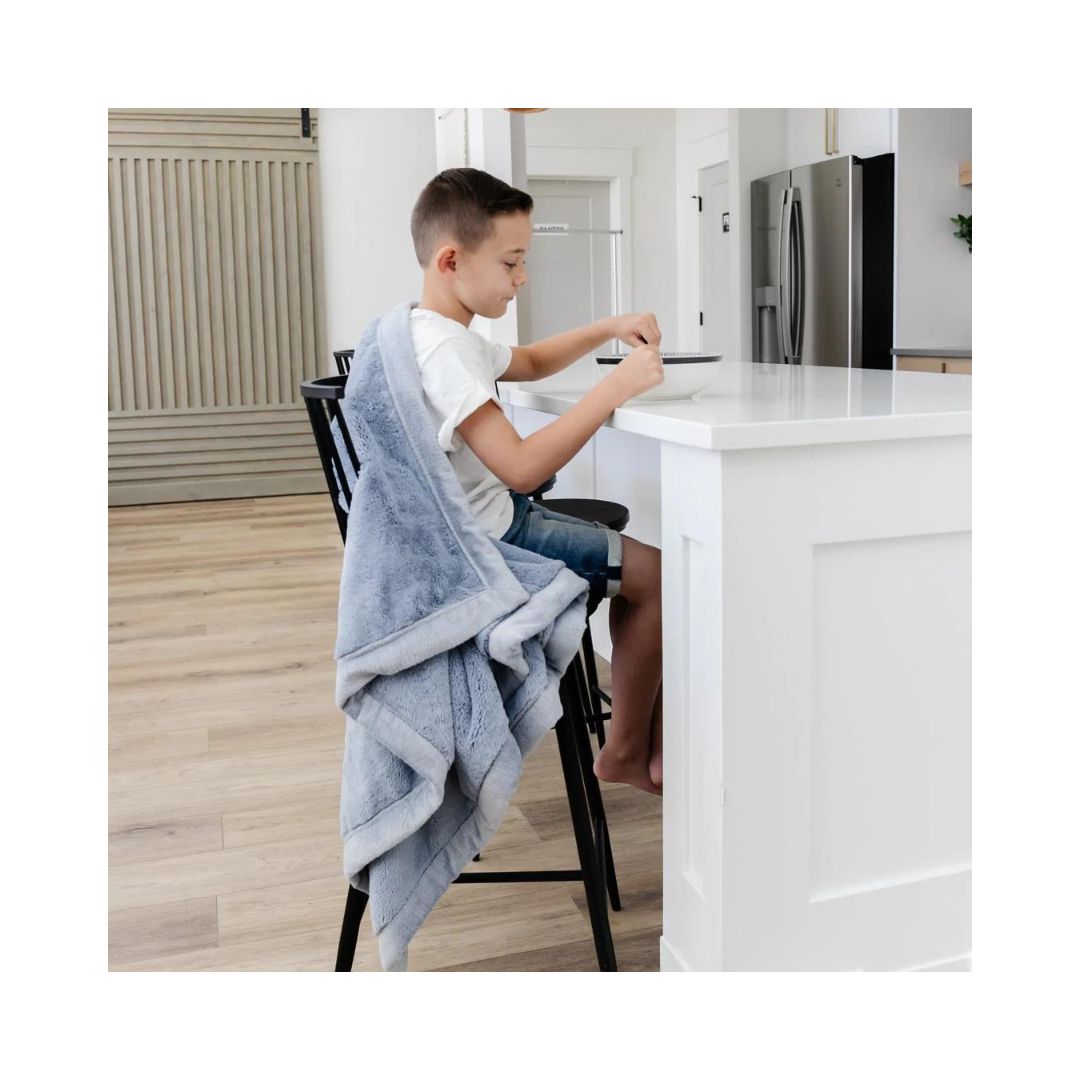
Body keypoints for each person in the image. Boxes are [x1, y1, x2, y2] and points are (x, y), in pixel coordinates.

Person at [407, 167, 665, 796]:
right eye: (511, 261)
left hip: (482, 522)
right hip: (492, 539)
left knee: (651, 571)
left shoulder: (436, 332)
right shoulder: (446, 353)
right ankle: (627, 751)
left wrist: (608, 327)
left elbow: (527, 361)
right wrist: (616, 387)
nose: (522, 276)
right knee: (660, 579)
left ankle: (647, 740)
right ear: (451, 260)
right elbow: (522, 469)